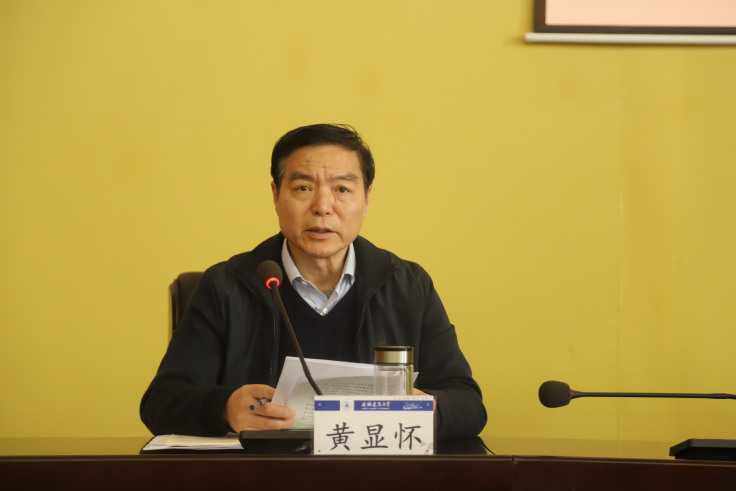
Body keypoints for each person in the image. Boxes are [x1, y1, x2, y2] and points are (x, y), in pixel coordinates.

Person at [140, 124, 486, 440]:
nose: (323, 206)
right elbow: (161, 402)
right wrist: (224, 408)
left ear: (366, 198)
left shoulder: (408, 286)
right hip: (262, 475)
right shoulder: (225, 286)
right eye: (303, 187)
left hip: (375, 472)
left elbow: (468, 404)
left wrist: (427, 409)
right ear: (276, 195)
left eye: (342, 189)